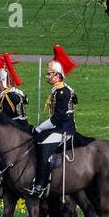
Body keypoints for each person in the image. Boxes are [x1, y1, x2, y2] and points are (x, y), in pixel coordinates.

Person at [28, 58, 77, 197]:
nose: (47, 76)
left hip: (64, 129)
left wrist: (40, 127)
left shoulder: (62, 92)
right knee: (36, 139)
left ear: (57, 75)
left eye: (50, 74)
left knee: (43, 144)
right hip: (58, 127)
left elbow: (58, 117)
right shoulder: (57, 90)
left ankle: (41, 185)